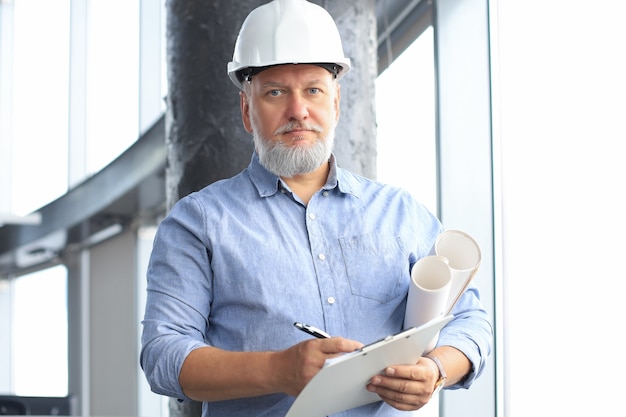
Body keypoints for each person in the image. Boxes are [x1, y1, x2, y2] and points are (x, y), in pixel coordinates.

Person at [140, 0, 492, 416]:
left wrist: (436, 370)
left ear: (336, 103)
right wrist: (276, 369)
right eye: (275, 93)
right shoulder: (198, 222)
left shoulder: (400, 212)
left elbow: (471, 320)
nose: (298, 111)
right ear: (247, 111)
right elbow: (163, 355)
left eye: (313, 90)